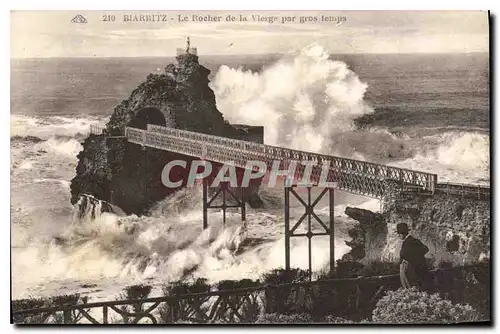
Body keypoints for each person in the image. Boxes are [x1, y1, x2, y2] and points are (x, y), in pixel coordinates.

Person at [397, 223, 429, 289]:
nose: (398, 235)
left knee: (410, 289)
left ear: (403, 233)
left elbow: (405, 255)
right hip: (417, 269)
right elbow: (426, 249)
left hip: (410, 270)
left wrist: (412, 260)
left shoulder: (408, 242)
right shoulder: (415, 241)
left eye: (399, 233)